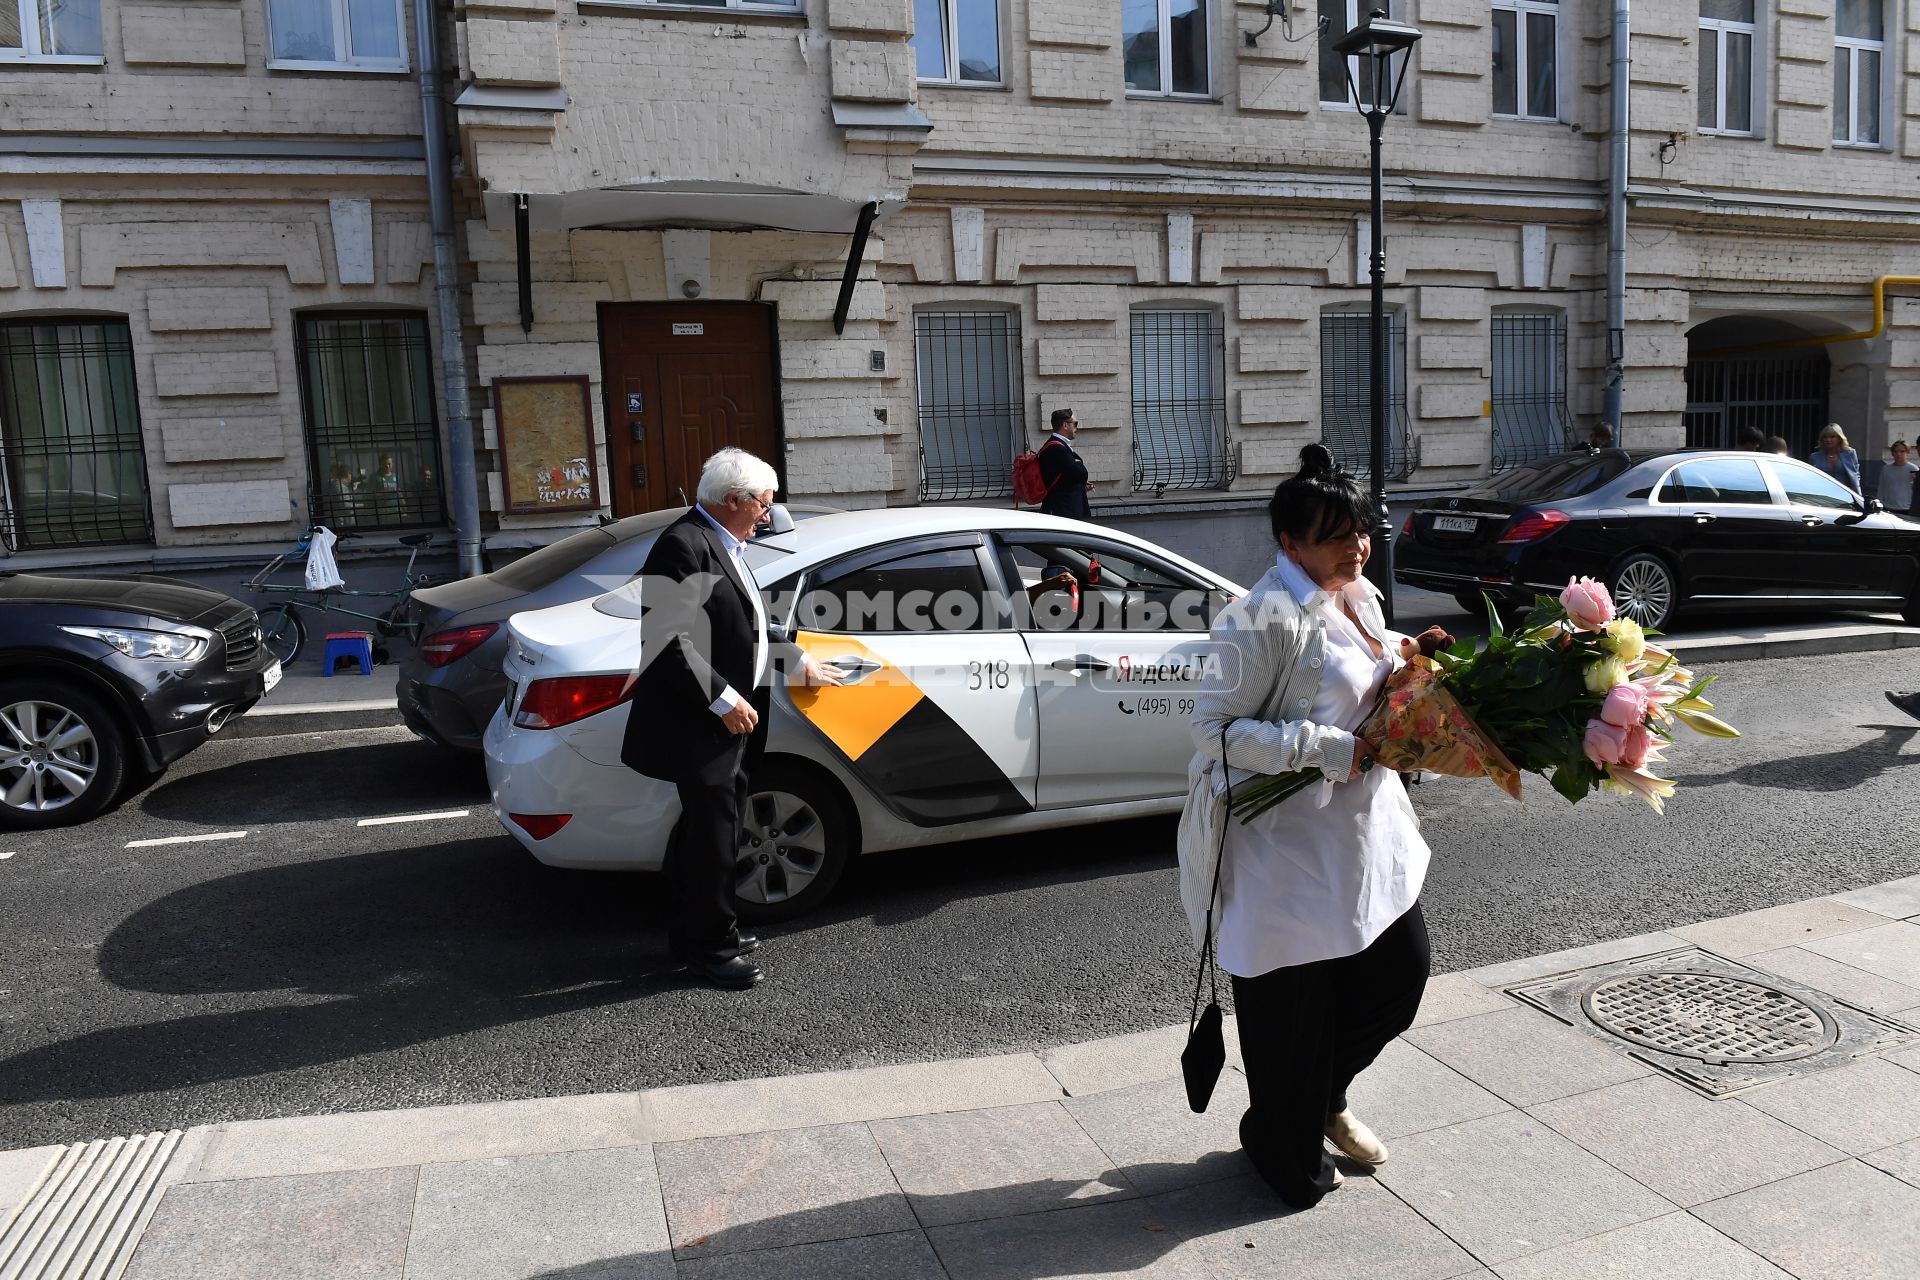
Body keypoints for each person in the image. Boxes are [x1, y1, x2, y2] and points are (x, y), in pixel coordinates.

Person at [1179, 443, 1453, 1210]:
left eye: (1360, 530)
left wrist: (1413, 663)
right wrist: (1333, 749)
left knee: (1400, 975)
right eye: (1335, 536)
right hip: (1285, 852)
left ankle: (1321, 1098)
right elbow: (1214, 733)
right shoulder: (1257, 618)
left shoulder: (1358, 594)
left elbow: (1365, 670)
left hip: (1367, 834)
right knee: (1289, 1020)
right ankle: (1280, 1136)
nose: (1355, 547)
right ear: (1288, 543)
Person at [620, 448, 842, 990]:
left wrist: (795, 657)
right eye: (764, 503)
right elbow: (665, 640)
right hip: (700, 725)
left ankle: (699, 931)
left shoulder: (722, 541)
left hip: (722, 725)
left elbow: (750, 620)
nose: (768, 513)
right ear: (735, 500)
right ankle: (711, 952)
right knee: (713, 838)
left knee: (709, 835)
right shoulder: (682, 545)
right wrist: (722, 698)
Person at [1037, 407, 1093, 521]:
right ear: (1065, 425)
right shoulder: (1057, 448)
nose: (1076, 428)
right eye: (1075, 424)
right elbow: (1081, 473)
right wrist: (1079, 466)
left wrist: (1079, 483)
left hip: (1062, 510)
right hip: (1065, 512)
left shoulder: (1055, 445)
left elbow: (1067, 476)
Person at [1809, 424, 1862, 494]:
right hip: (1823, 494)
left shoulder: (1850, 454)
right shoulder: (1814, 457)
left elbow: (1855, 476)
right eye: (1825, 437)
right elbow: (1810, 479)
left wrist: (1858, 495)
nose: (1828, 440)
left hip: (1845, 495)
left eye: (1832, 437)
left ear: (1839, 438)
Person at [1879, 440, 1916, 514]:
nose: (1898, 454)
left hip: (1907, 509)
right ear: (1892, 453)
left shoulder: (1913, 469)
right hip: (1888, 508)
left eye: (1902, 451)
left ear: (1907, 453)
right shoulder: (1886, 469)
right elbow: (1881, 488)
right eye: (1896, 451)